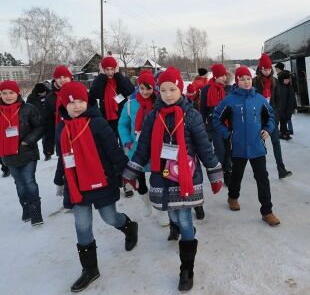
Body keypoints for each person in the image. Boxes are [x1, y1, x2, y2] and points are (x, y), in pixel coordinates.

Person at [122, 67, 224, 292]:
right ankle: (178, 229)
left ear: (181, 89)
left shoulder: (192, 115)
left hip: (185, 176)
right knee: (173, 213)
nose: (168, 94)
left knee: (185, 219)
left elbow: (205, 148)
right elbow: (143, 148)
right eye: (164, 90)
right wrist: (131, 171)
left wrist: (214, 172)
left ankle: (186, 269)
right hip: (162, 175)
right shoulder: (152, 116)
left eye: (173, 89)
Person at [53, 82, 138, 292]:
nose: (77, 106)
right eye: (72, 103)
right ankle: (90, 269)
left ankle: (129, 227)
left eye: (81, 101)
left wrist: (128, 173)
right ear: (64, 104)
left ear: (87, 101)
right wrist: (59, 180)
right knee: (82, 226)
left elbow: (113, 152)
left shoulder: (98, 124)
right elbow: (62, 158)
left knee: (110, 218)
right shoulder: (61, 128)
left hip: (101, 181)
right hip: (76, 185)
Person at [213, 66, 280, 227]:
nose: (246, 81)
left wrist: (268, 129)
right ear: (237, 81)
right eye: (242, 79)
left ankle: (267, 211)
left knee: (262, 179)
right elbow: (216, 118)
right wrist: (228, 134)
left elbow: (271, 115)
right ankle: (233, 196)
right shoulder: (230, 100)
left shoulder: (259, 99)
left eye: (248, 78)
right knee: (237, 176)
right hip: (238, 147)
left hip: (257, 146)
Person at [1, 80, 45, 225]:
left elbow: (39, 127)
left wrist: (27, 141)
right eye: (4, 93)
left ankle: (35, 212)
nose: (8, 96)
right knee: (19, 184)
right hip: (8, 155)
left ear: (18, 92)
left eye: (11, 93)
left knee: (29, 182)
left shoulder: (28, 108)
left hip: (27, 152)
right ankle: (26, 208)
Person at [118, 71, 156, 218]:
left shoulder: (159, 103)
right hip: (136, 149)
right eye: (142, 88)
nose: (145, 91)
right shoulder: (130, 105)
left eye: (148, 88)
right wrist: (127, 140)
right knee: (140, 182)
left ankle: (160, 208)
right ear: (138, 87)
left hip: (155, 149)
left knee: (157, 181)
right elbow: (122, 125)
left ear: (154, 87)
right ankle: (146, 202)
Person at [253, 53, 292, 179]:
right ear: (260, 68)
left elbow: (278, 100)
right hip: (259, 119)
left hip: (272, 117)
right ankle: (261, 171)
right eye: (265, 69)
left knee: (276, 143)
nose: (267, 71)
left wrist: (276, 115)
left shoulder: (274, 81)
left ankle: (281, 169)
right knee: (260, 145)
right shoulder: (254, 82)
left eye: (269, 69)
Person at [199, 63, 233, 199]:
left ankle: (228, 172)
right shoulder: (207, 89)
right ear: (215, 76)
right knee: (220, 150)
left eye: (225, 75)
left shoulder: (228, 89)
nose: (224, 78)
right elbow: (202, 108)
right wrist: (203, 124)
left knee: (228, 149)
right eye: (221, 76)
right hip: (214, 124)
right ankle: (218, 173)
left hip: (228, 124)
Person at [89, 56, 135, 140]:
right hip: (106, 118)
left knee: (124, 143)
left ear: (116, 68)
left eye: (112, 69)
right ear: (103, 69)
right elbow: (94, 94)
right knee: (110, 144)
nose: (110, 72)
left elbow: (130, 90)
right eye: (107, 69)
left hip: (122, 117)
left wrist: (117, 75)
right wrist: (102, 76)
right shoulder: (100, 80)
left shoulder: (120, 79)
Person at [45, 65, 73, 160]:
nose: (62, 80)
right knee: (66, 163)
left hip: (79, 131)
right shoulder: (50, 97)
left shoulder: (78, 90)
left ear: (70, 77)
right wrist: (49, 144)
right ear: (55, 79)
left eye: (65, 77)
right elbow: (49, 122)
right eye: (59, 77)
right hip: (61, 135)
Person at [27, 82, 51, 160]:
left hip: (50, 119)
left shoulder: (50, 94)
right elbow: (28, 110)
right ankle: (47, 153)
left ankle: (51, 151)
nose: (42, 94)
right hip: (39, 121)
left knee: (51, 137)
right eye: (40, 93)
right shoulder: (31, 97)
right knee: (44, 138)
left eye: (43, 92)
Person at [276, 70, 296, 140]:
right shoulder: (279, 87)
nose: (287, 81)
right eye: (285, 80)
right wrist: (279, 109)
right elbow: (278, 100)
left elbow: (293, 97)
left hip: (289, 108)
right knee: (283, 121)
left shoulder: (290, 87)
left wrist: (295, 107)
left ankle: (284, 132)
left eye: (288, 79)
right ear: (282, 80)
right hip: (281, 109)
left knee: (287, 119)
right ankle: (283, 133)